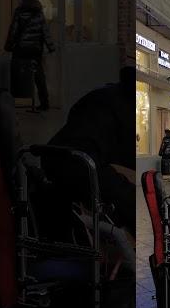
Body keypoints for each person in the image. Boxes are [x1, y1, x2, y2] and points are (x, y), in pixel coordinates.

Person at [48, 67, 136, 237]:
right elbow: (74, 162)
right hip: (83, 220)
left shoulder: (115, 100)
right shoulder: (104, 105)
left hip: (101, 202)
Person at [5, 0, 56, 111]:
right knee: (39, 76)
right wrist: (51, 47)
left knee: (18, 73)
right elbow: (45, 31)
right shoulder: (38, 12)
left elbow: (13, 30)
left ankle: (17, 100)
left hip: (21, 49)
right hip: (35, 50)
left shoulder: (19, 12)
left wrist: (8, 46)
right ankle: (44, 102)